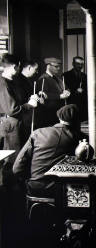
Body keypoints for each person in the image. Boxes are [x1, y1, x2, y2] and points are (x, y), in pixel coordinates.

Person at [13, 104, 85, 198]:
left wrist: (30, 178)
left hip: (35, 188)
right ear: (78, 122)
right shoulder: (79, 138)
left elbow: (17, 168)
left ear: (59, 118)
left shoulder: (38, 133)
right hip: (62, 190)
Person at [0, 54, 39, 186]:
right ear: (12, 66)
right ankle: (9, 191)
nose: (18, 69)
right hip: (10, 125)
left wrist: (32, 98)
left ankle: (17, 186)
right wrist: (29, 105)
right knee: (12, 159)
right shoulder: (3, 83)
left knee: (20, 157)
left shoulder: (13, 81)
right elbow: (12, 109)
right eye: (17, 66)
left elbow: (20, 101)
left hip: (18, 123)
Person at [35, 57, 71, 129]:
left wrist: (67, 91)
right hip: (49, 112)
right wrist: (60, 96)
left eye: (59, 66)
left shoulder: (58, 78)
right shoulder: (43, 78)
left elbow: (66, 88)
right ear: (48, 66)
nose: (58, 68)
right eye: (56, 66)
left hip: (59, 111)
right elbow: (44, 95)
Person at [63, 56, 88, 121]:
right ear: (73, 64)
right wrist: (75, 91)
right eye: (78, 64)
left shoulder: (85, 76)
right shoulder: (65, 75)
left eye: (82, 64)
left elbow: (88, 89)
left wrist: (83, 90)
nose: (80, 66)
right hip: (71, 104)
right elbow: (63, 89)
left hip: (83, 105)